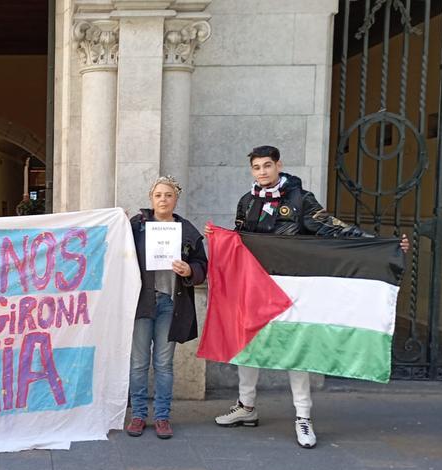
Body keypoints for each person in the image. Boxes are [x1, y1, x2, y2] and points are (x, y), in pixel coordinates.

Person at [206, 145, 408, 449]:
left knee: (297, 348)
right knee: (247, 343)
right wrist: (219, 238)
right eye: (256, 167)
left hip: (294, 288)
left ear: (278, 166)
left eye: (267, 166)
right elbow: (240, 241)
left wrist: (380, 244)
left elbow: (333, 229)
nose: (262, 172)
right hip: (256, 286)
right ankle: (246, 407)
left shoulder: (300, 199)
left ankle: (303, 416)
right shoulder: (247, 202)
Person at [127, 176, 208, 439]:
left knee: (163, 363)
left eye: (168, 195)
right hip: (142, 303)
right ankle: (138, 414)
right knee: (138, 363)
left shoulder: (186, 230)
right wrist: (115, 225)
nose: (163, 199)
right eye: (158, 195)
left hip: (170, 304)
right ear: (151, 198)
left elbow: (202, 266)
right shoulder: (137, 226)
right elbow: (118, 251)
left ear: (176, 199)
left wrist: (190, 270)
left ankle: (162, 416)